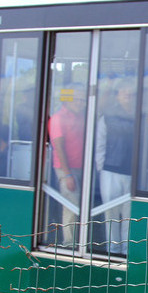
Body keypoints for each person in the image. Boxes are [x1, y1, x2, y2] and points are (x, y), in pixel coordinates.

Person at [95, 79, 135, 255]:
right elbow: (100, 143)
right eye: (124, 91)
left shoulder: (139, 115)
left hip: (132, 172)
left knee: (128, 215)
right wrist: (101, 168)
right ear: (117, 95)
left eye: (130, 92)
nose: (128, 95)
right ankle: (113, 250)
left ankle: (125, 251)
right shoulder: (107, 116)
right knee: (110, 214)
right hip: (110, 170)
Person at [48, 84, 87, 245]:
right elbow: (59, 147)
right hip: (66, 169)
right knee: (71, 205)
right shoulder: (58, 118)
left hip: (82, 167)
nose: (80, 103)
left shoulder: (82, 116)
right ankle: (69, 243)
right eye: (77, 99)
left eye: (82, 100)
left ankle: (79, 241)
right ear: (67, 100)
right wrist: (67, 174)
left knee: (80, 205)